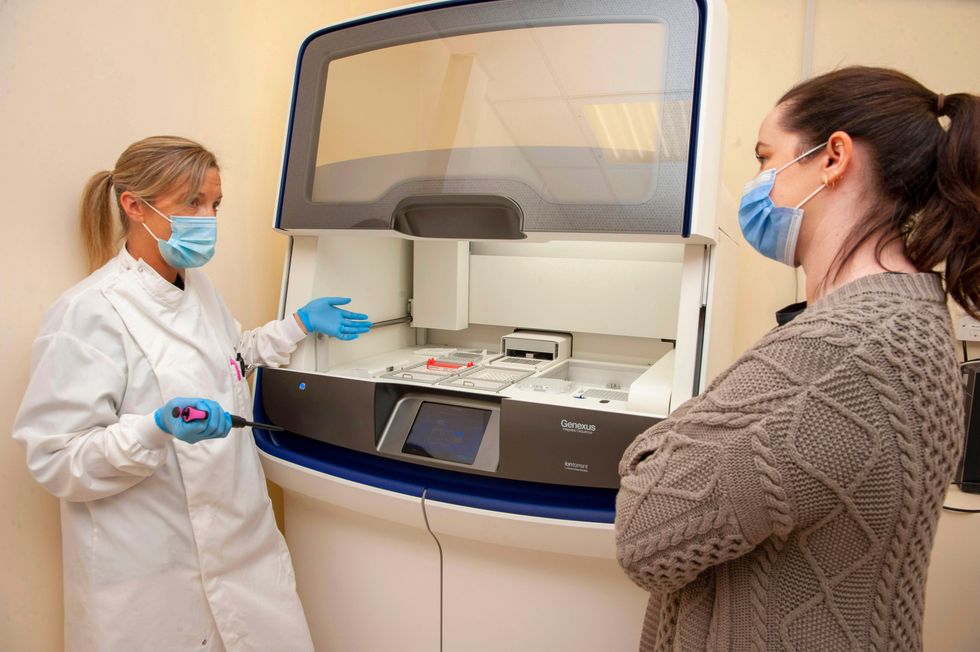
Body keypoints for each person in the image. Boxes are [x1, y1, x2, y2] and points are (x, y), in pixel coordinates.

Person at [615, 67, 979, 651]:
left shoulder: (844, 349)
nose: (758, 181)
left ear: (833, 157)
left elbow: (643, 531)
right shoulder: (913, 315)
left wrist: (660, 441)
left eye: (766, 157)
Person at [13, 136, 372, 651]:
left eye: (214, 205)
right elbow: (56, 458)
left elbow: (230, 359)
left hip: (242, 549)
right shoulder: (87, 313)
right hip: (152, 575)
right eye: (193, 203)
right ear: (135, 206)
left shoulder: (196, 286)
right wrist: (153, 428)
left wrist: (296, 325)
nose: (208, 219)